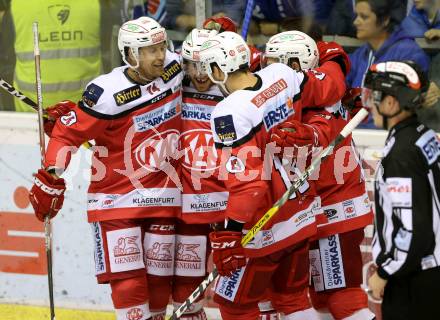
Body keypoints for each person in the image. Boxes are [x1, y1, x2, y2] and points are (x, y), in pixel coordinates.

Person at [28, 17, 183, 320]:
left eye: (162, 46)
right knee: (128, 285)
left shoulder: (175, 68)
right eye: (150, 50)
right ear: (130, 54)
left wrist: (219, 35)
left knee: (159, 286)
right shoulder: (106, 93)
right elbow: (66, 136)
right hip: (116, 201)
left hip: (163, 198)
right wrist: (52, 176)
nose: (160, 55)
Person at [198, 30, 348, 319]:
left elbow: (249, 185)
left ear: (217, 69)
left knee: (234, 305)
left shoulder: (228, 112)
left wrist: (229, 232)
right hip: (301, 209)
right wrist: (335, 60)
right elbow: (328, 89)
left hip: (265, 224)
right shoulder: (281, 74)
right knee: (292, 299)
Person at [264, 30, 375, 320]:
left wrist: (305, 135)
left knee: (341, 297)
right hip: (314, 207)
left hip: (335, 206)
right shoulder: (301, 82)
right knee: (321, 298)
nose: (268, 71)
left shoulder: (317, 88)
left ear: (298, 65)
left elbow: (322, 129)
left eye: (277, 64)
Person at [363, 60, 440, 320]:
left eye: (375, 96)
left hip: (415, 279)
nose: (370, 105)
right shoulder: (422, 134)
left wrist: (384, 273)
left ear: (392, 103)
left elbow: (411, 227)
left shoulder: (400, 155)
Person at [173, 27, 223, 320]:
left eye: (205, 64)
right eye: (192, 64)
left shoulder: (234, 87)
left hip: (228, 203)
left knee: (241, 289)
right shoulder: (175, 86)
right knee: (186, 291)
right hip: (190, 203)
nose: (199, 73)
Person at [0, 0, 120, 112]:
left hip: (30, 115)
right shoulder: (98, 5)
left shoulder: (17, 6)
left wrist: (9, 113)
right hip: (85, 115)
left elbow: (6, 65)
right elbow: (113, 62)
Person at [347, 0, 430, 128]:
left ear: (385, 20)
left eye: (364, 17)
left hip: (387, 138)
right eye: (356, 15)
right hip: (355, 134)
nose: (356, 22)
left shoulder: (408, 53)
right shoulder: (360, 54)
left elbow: (407, 108)